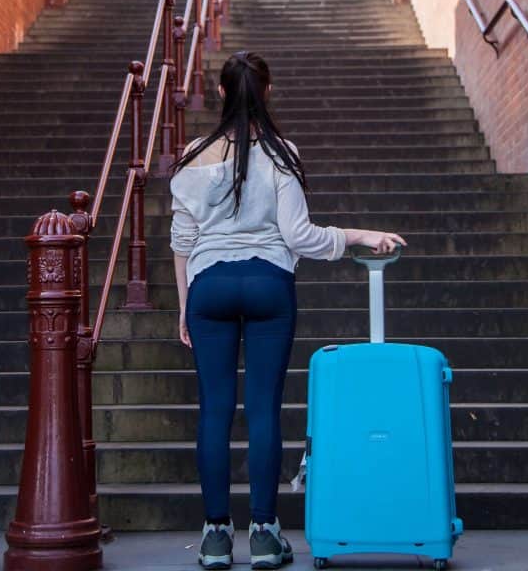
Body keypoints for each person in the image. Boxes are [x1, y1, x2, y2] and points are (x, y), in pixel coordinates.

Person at [169, 51, 406, 570]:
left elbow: (182, 239)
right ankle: (263, 534)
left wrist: (185, 306)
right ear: (268, 92)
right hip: (269, 285)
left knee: (213, 410)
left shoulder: (193, 154)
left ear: (222, 93)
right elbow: (300, 236)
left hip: (208, 285)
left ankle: (213, 537)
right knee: (262, 410)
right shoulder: (280, 153)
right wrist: (360, 235)